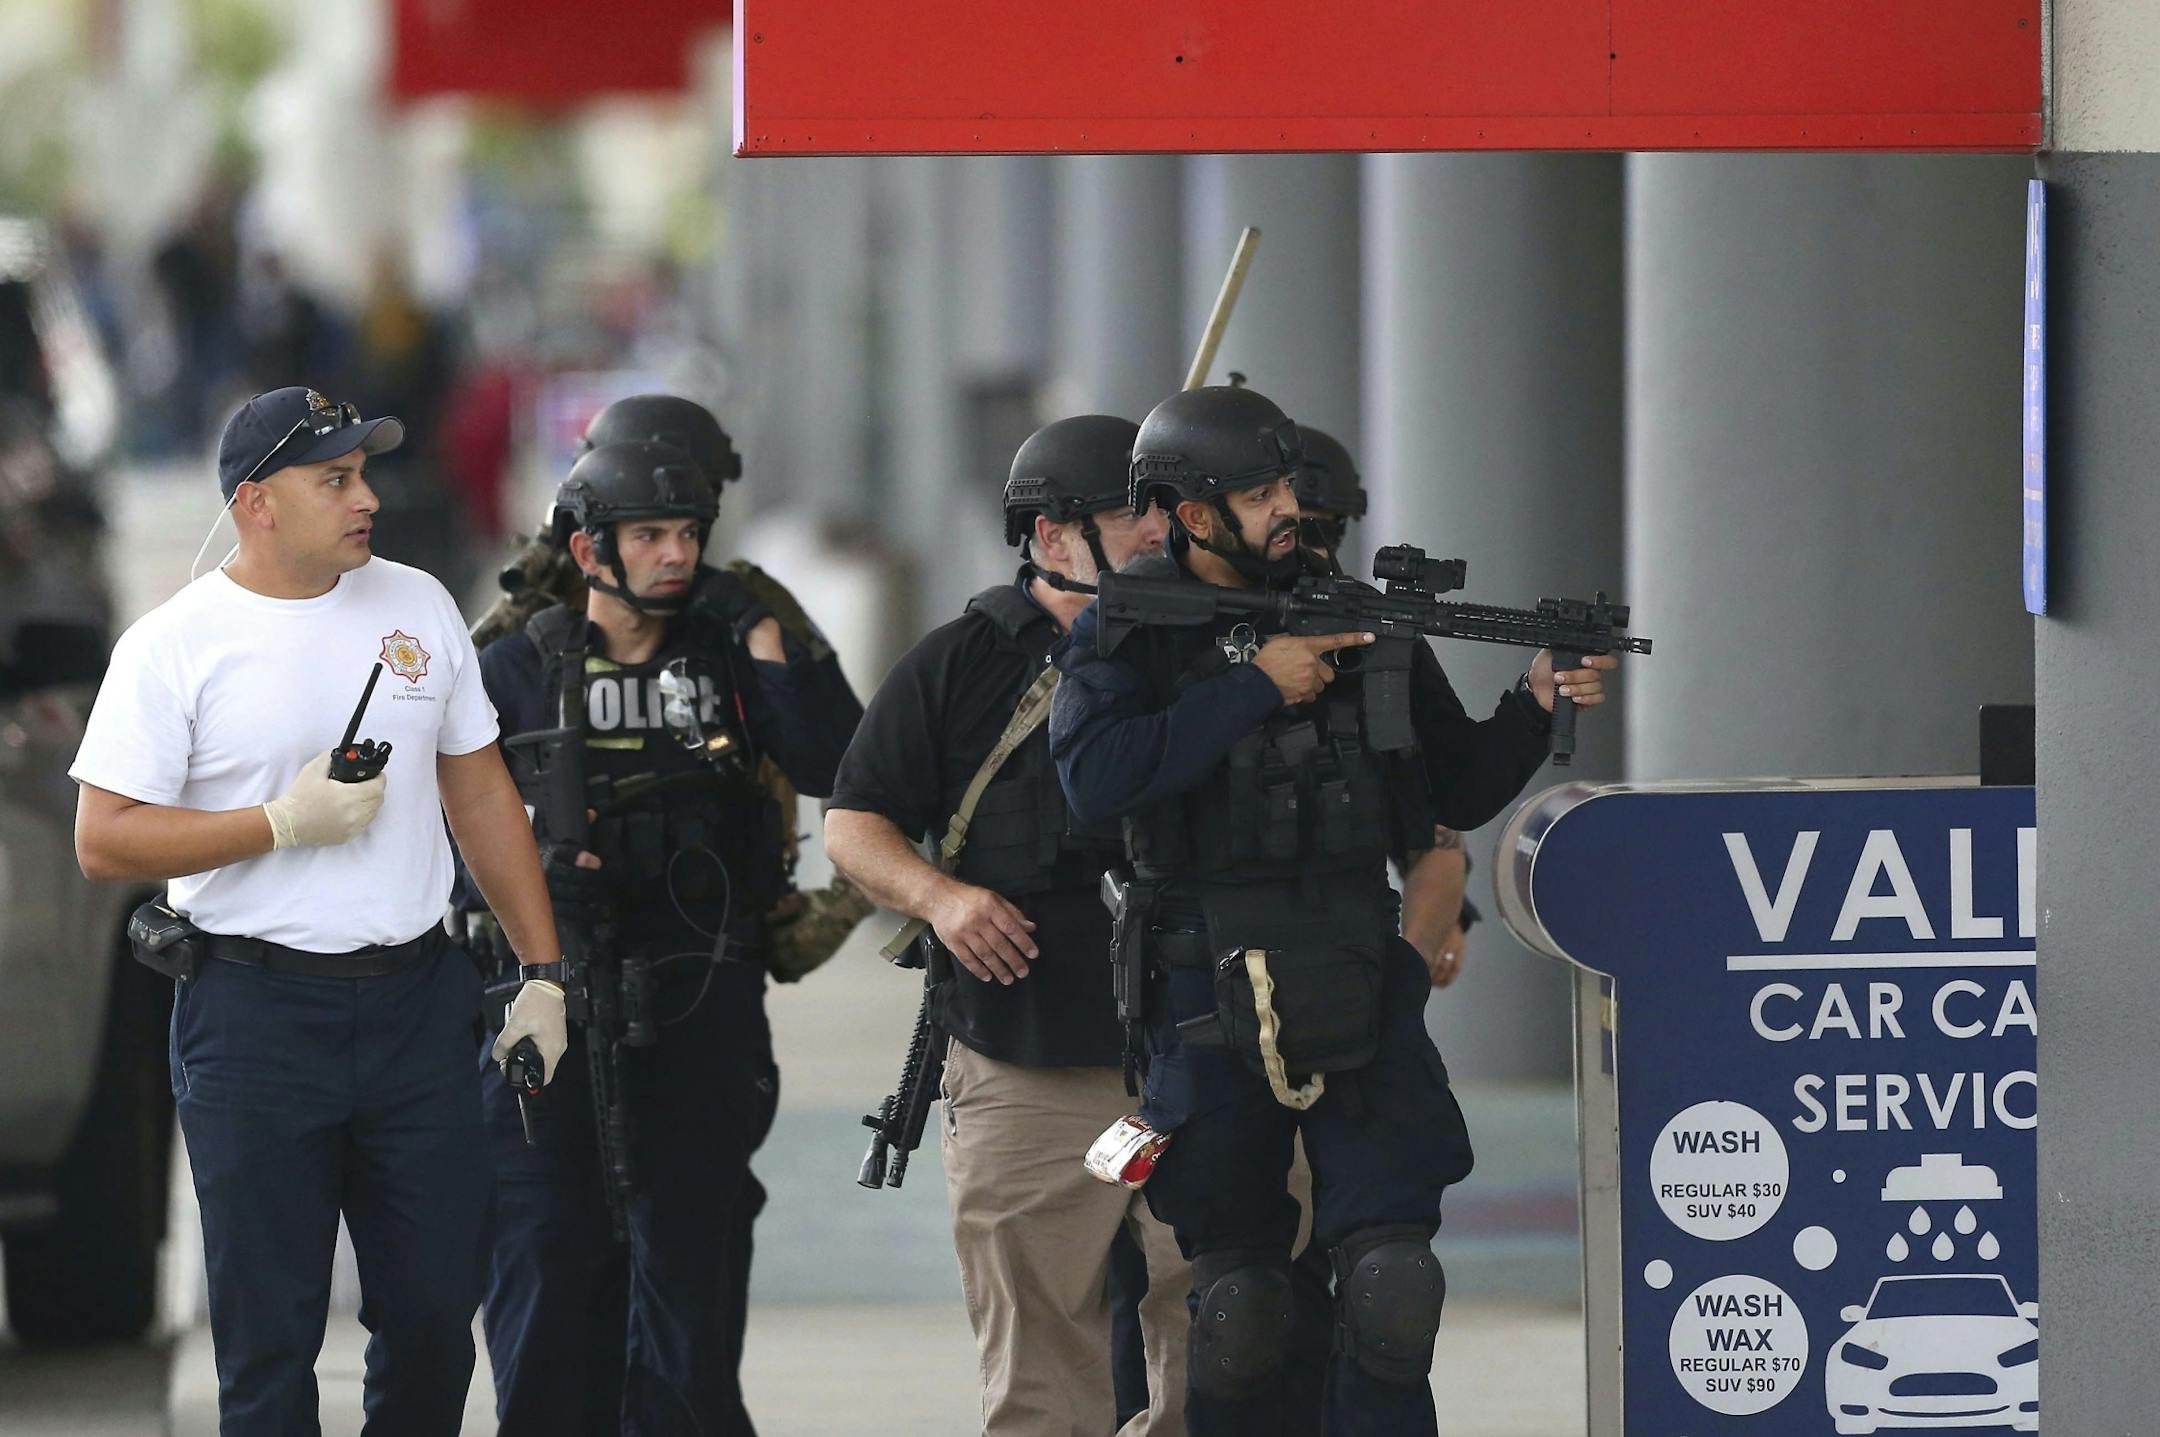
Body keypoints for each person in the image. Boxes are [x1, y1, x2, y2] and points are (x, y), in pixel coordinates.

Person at [1049, 385, 1618, 1435]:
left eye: (1287, 487)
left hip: (1358, 980)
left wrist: (1536, 702)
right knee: (1241, 1305)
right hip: (1203, 994)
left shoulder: (1358, 613)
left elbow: (1452, 788)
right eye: (1257, 492)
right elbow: (1095, 781)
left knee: (1393, 1285)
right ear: (1190, 511)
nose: (1286, 510)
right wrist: (1255, 687)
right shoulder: (1128, 630)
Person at [69, 385, 568, 1435]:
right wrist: (279, 824)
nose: (367, 498)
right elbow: (104, 837)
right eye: (334, 479)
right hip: (252, 1017)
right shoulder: (177, 644)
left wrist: (543, 972)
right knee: (268, 1344)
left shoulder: (418, 605)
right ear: (256, 503)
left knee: (435, 1317)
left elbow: (477, 789)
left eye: (364, 473)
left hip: (416, 1006)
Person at [470, 423, 862, 1435]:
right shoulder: (519, 667)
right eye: (648, 534)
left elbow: (843, 766)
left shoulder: (734, 652)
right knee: (549, 1260)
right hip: (553, 1000)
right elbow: (438, 824)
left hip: (701, 995)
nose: (677, 554)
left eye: (689, 532)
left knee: (691, 1267)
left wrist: (771, 647)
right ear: (591, 549)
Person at [823, 415, 1190, 1436]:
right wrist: (942, 899)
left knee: (1229, 1332)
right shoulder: (961, 664)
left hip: (1200, 1051)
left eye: (1161, 507)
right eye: (1129, 512)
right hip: (1029, 1064)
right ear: (1055, 535)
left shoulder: (1205, 644)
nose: (1157, 529)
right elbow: (854, 827)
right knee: (1039, 1365)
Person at [1291, 426, 1477, 991]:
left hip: (1340, 960)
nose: (1307, 548)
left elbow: (1434, 829)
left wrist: (1409, 972)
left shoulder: (1370, 637)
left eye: (1325, 529)